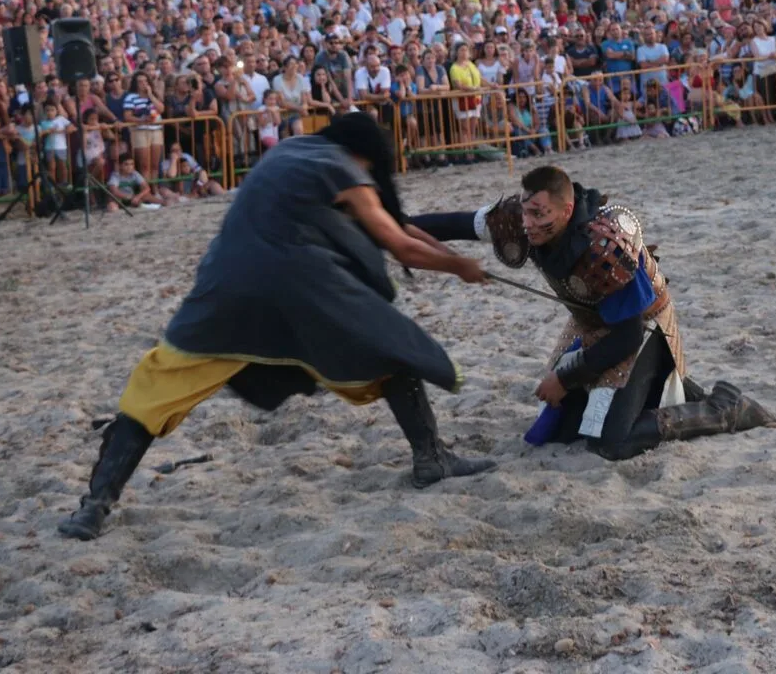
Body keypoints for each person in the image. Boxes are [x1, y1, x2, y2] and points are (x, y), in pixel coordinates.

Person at [58, 113, 494, 541]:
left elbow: (402, 230)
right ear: (365, 156)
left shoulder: (287, 154)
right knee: (391, 346)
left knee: (154, 391)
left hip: (224, 290)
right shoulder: (344, 169)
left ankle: (94, 507)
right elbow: (399, 244)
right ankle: (431, 457)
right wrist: (459, 267)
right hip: (300, 290)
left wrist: (449, 253)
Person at [409, 165, 776, 462]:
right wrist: (393, 225)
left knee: (611, 443)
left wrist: (565, 379)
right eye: (526, 212)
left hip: (642, 329)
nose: (529, 224)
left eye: (540, 214)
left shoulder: (603, 249)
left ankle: (724, 408)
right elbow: (458, 224)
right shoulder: (523, 220)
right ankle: (671, 390)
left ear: (566, 209)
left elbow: (628, 335)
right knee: (565, 430)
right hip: (591, 323)